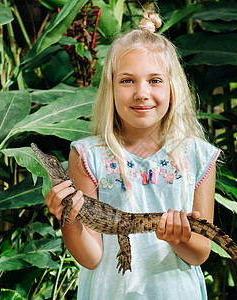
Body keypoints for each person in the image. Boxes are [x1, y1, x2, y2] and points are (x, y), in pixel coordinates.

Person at [44, 11, 221, 299]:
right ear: (111, 88)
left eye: (155, 80)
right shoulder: (88, 156)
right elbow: (91, 257)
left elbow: (200, 253)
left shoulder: (199, 156)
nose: (141, 93)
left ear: (173, 87)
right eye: (127, 81)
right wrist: (71, 220)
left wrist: (181, 239)